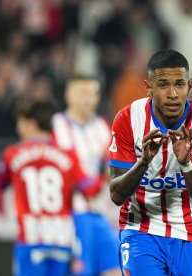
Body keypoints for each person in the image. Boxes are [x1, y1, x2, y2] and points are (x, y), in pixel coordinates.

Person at [108, 49, 192, 275]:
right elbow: (116, 194)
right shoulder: (128, 119)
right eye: (163, 85)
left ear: (189, 86)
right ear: (148, 87)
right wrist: (143, 163)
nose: (172, 93)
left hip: (191, 232)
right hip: (140, 229)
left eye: (179, 84)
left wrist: (186, 165)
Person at [0, 100, 103, 276]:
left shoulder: (12, 154)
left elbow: (1, 183)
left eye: (20, 123)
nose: (18, 128)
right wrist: (102, 169)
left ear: (30, 123)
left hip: (30, 236)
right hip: (62, 238)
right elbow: (91, 188)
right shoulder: (68, 156)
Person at [52, 75, 121, 276]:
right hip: (73, 214)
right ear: (69, 95)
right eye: (84, 94)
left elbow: (113, 169)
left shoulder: (102, 126)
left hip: (102, 214)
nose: (90, 100)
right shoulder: (56, 126)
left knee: (116, 269)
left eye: (94, 94)